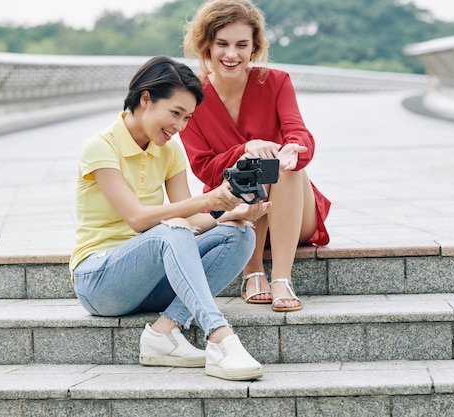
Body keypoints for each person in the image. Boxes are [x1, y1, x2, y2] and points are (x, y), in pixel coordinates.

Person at [69, 55, 270, 381]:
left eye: (188, 117)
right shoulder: (100, 146)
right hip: (100, 280)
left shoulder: (169, 150)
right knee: (170, 229)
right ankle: (219, 336)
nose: (180, 126)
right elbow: (137, 219)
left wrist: (230, 212)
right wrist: (208, 198)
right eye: (175, 113)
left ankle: (164, 330)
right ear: (145, 98)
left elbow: (188, 224)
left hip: (150, 279)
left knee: (239, 234)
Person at [180, 0, 331, 313]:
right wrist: (243, 150)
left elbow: (299, 134)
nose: (231, 54)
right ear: (206, 45)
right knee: (252, 167)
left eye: (241, 45)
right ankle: (252, 273)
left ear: (255, 47)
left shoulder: (276, 82)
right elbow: (204, 169)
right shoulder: (190, 95)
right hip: (232, 209)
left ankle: (281, 279)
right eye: (222, 44)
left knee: (283, 165)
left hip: (292, 211)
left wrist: (292, 150)